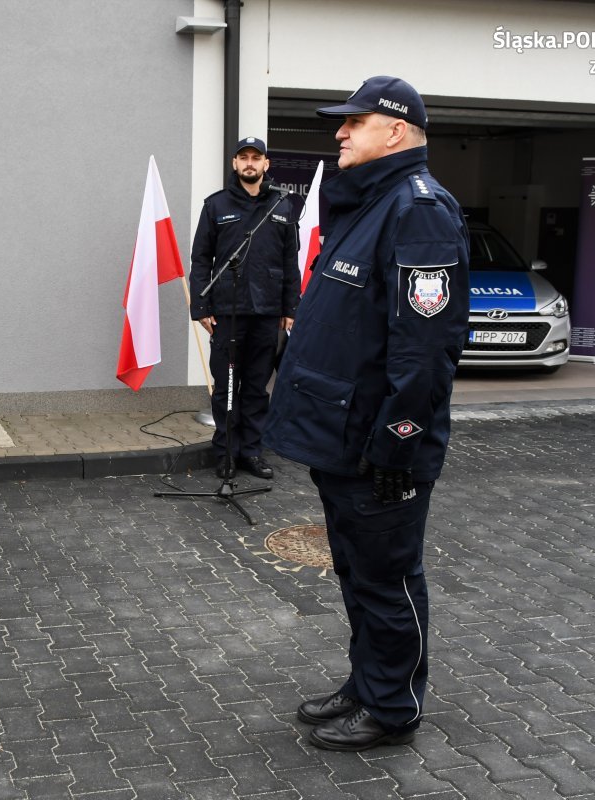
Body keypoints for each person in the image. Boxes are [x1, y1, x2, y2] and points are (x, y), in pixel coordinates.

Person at [262, 76, 470, 751]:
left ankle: (392, 708)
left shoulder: (419, 211)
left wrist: (398, 443)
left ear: (396, 130)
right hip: (343, 438)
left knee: (387, 580)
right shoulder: (370, 202)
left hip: (381, 448)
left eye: (355, 122)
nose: (340, 132)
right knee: (356, 572)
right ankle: (367, 683)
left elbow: (426, 350)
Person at [189, 137, 299, 481]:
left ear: (266, 164)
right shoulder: (216, 205)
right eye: (244, 158)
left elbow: (290, 261)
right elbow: (200, 259)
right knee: (226, 387)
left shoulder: (282, 206)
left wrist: (290, 307)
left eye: (256, 157)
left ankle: (251, 451)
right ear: (235, 164)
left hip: (267, 312)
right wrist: (201, 307)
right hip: (227, 312)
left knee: (255, 387)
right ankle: (225, 452)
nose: (250, 163)